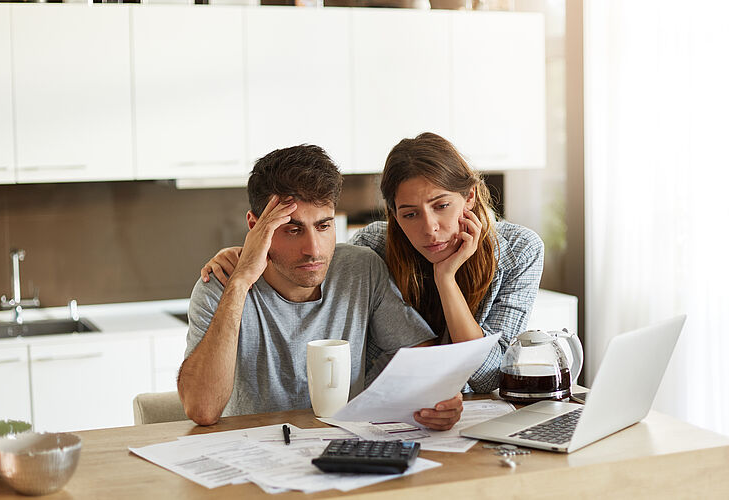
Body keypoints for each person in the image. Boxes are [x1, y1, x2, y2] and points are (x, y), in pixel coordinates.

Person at [201, 133, 544, 395]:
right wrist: (247, 256)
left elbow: (486, 377)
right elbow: (311, 263)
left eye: (441, 206)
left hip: (468, 413)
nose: (429, 228)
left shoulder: (519, 251)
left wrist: (446, 279)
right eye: (409, 214)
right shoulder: (375, 246)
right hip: (395, 414)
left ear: (468, 196)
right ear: (393, 214)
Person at [178, 144, 463, 430]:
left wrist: (440, 400)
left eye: (324, 226)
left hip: (343, 447)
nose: (313, 250)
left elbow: (425, 362)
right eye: (292, 229)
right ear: (255, 226)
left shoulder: (361, 269)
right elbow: (202, 410)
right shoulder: (221, 285)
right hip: (253, 452)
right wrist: (240, 283)